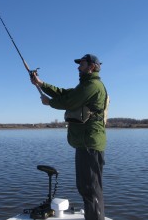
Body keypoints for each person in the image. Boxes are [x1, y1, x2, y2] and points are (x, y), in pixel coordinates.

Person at [31, 54, 108, 220]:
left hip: (90, 144)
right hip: (85, 144)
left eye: (81, 63)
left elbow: (69, 101)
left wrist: (49, 102)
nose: (78, 67)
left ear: (91, 66)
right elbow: (64, 93)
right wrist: (41, 84)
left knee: (91, 190)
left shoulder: (93, 85)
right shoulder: (85, 86)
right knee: (86, 188)